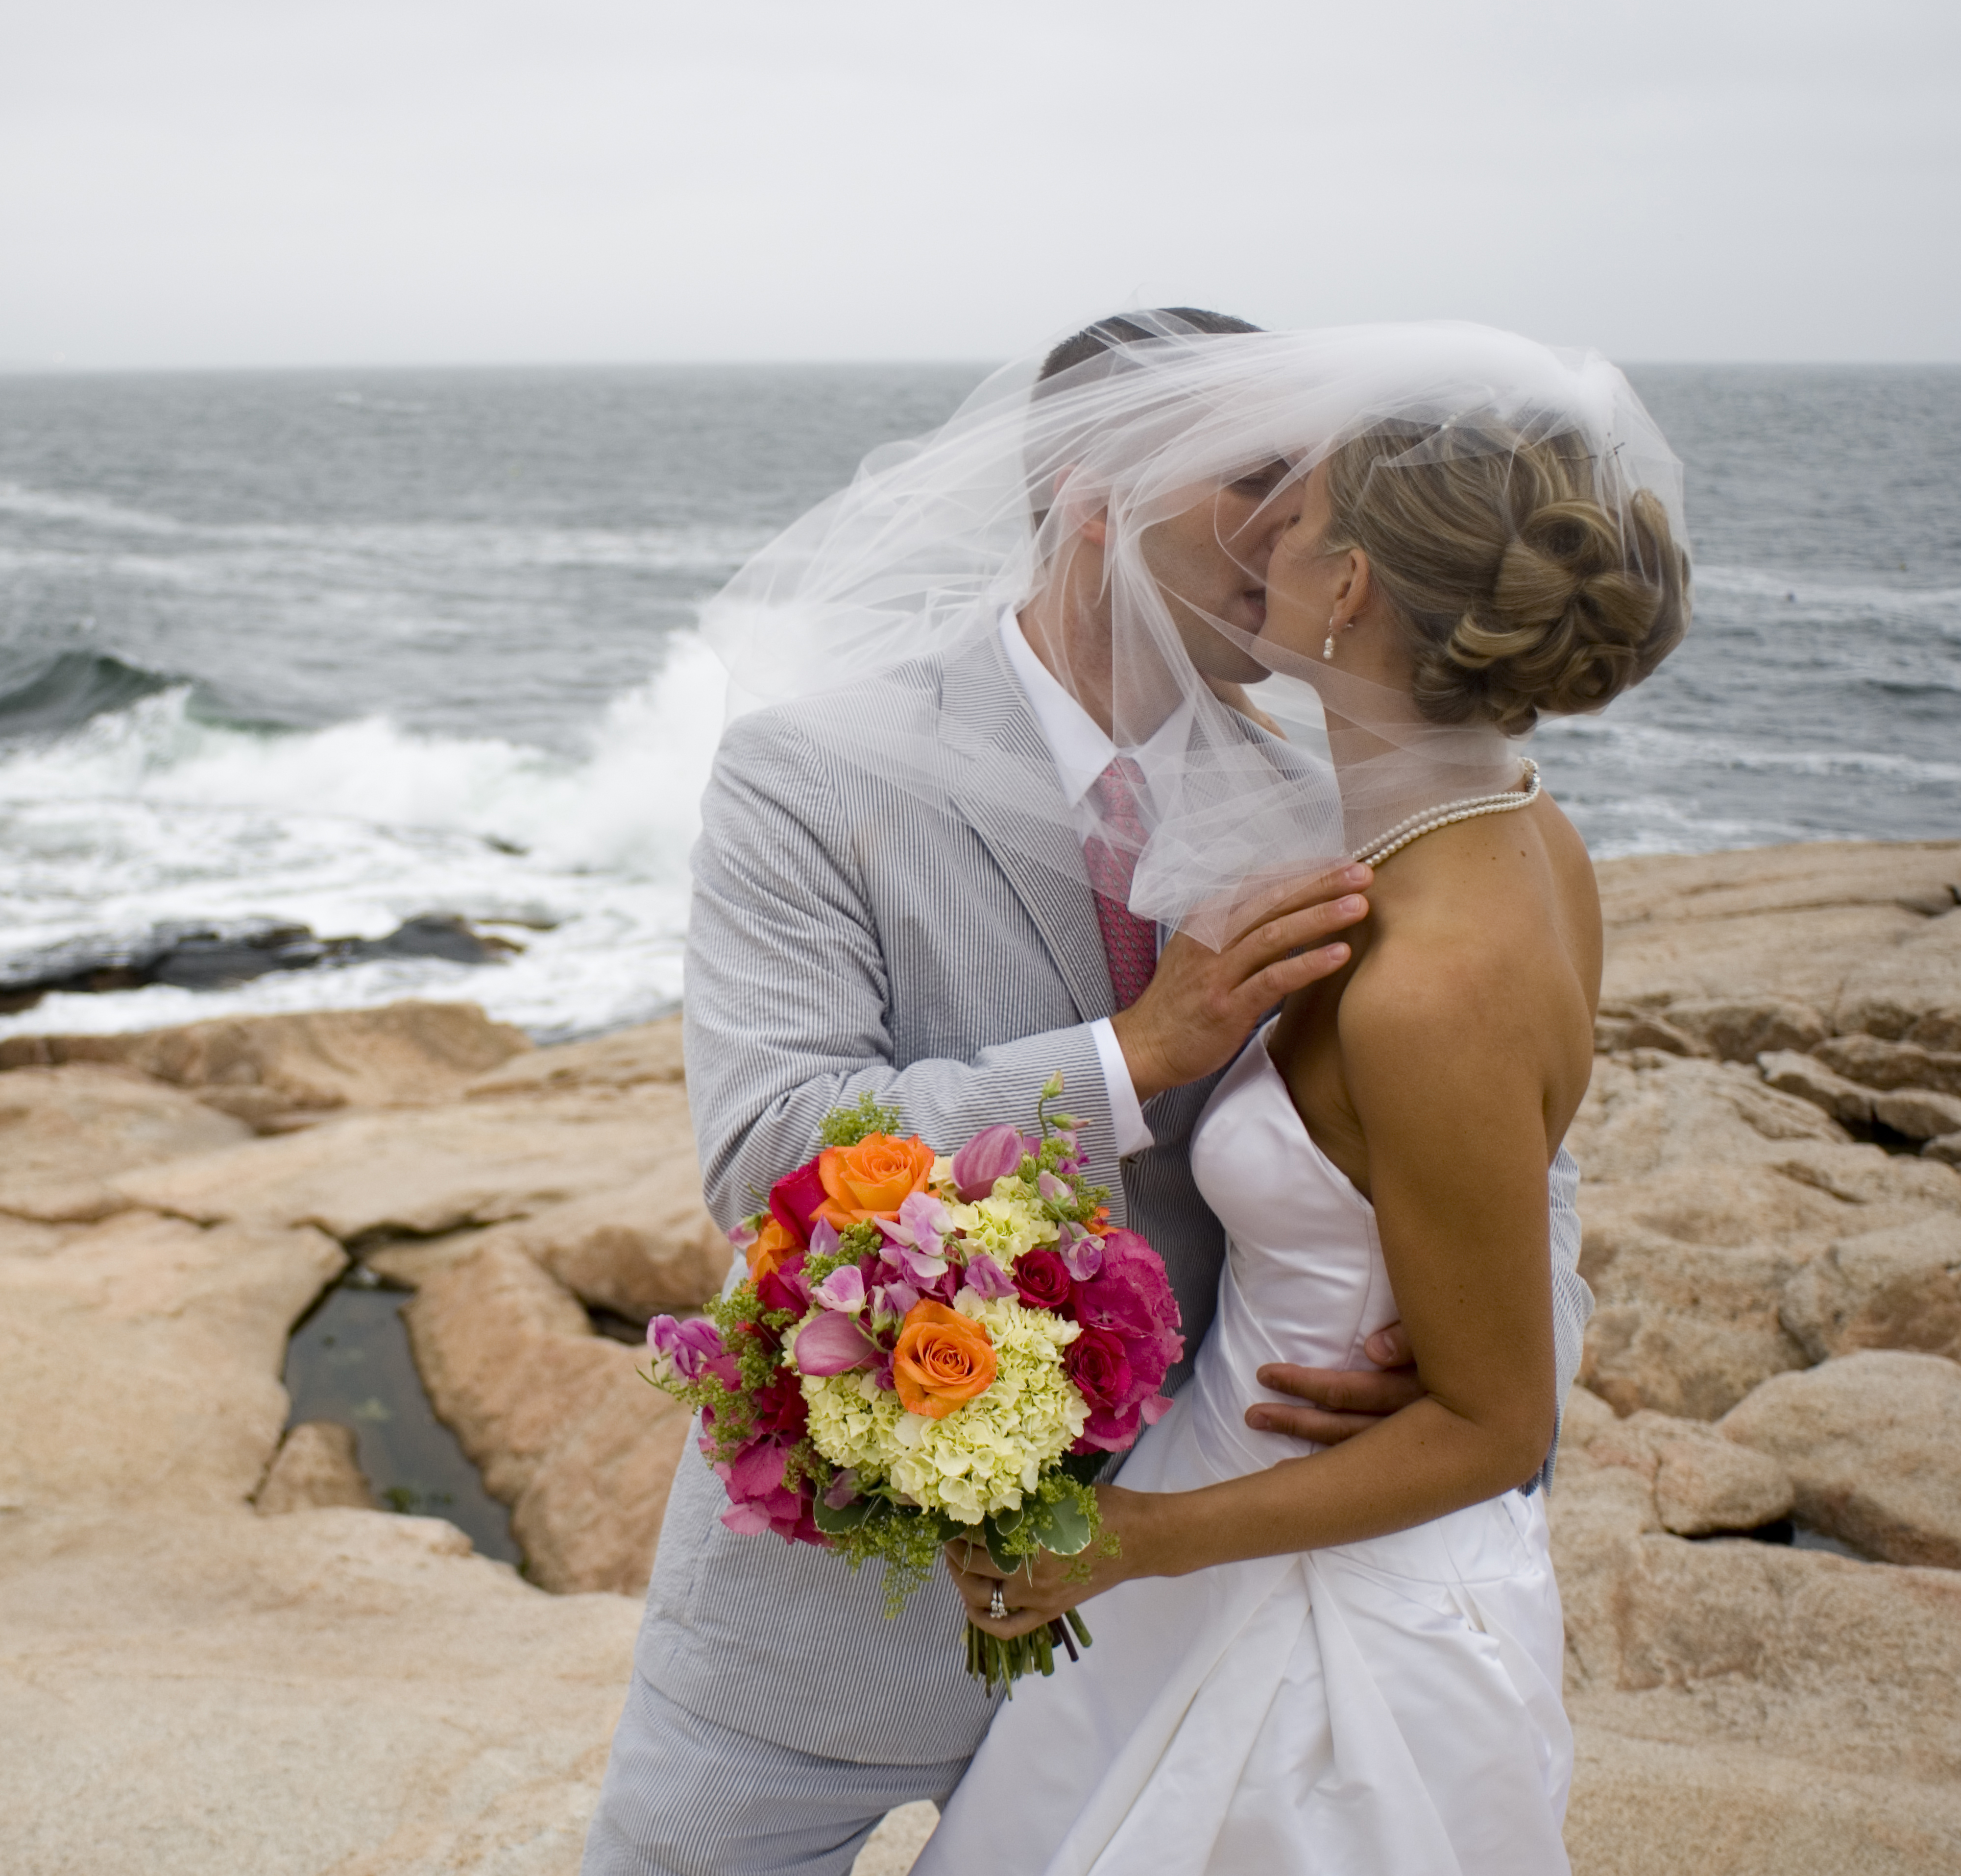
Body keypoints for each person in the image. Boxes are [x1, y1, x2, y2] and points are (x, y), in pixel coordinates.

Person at [581, 313, 1608, 1876]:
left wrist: (1448, 1355)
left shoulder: (1326, 809)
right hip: (824, 1628)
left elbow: (1480, 1127)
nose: (1287, 531)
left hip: (1176, 1602)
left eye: (1303, 485)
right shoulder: (815, 774)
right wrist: (1134, 1052)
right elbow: (765, 1154)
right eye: (1247, 480)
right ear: (1090, 492)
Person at [920, 328, 1690, 1874]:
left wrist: (1127, 1541)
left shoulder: (1428, 973)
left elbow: (1493, 1422)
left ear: (1349, 588)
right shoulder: (1531, 838)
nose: (1256, 527)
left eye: (1298, 503)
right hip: (1250, 1513)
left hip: (1323, 1620)